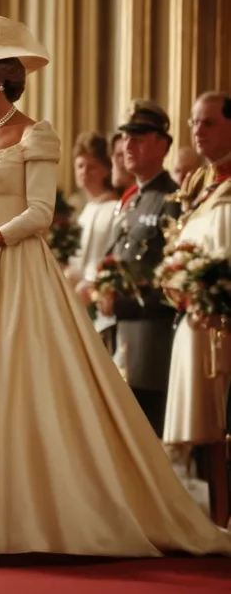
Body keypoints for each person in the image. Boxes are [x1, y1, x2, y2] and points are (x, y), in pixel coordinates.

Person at [0, 16, 231, 557]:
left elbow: (40, 213)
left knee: (18, 382)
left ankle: (26, 517)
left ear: (1, 77)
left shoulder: (36, 132)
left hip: (12, 269)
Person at [164, 91, 231, 527]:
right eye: (193, 122)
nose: (197, 131)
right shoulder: (202, 188)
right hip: (196, 320)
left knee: (225, 427)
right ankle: (218, 518)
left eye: (207, 122)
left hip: (223, 322)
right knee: (206, 431)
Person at [96, 101, 180, 438]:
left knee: (147, 441)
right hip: (123, 338)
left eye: (140, 136)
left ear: (163, 144)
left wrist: (122, 304)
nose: (128, 145)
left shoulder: (173, 199)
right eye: (125, 137)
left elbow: (175, 282)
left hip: (152, 343)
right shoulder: (132, 200)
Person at [64, 132, 118, 305]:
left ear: (106, 169)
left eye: (92, 166)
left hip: (100, 295)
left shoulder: (114, 208)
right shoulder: (85, 210)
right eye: (80, 166)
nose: (85, 172)